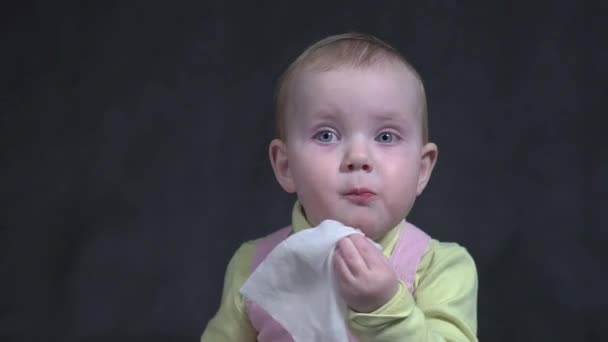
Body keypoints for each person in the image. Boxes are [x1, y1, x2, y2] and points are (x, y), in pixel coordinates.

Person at [201, 32, 478, 341]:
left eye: (386, 137)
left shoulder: (440, 268)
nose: (358, 158)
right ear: (286, 166)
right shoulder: (254, 265)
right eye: (327, 135)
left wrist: (385, 307)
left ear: (422, 169)